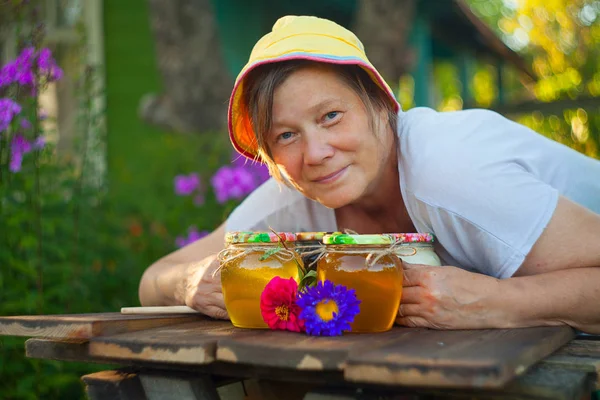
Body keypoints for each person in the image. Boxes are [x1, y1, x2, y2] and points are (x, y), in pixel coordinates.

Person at [138, 15, 600, 333]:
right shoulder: (293, 199)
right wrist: (189, 282)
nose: (315, 153)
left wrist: (497, 304)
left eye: (331, 116)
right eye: (284, 136)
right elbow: (156, 277)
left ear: (380, 103)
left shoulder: (448, 170)